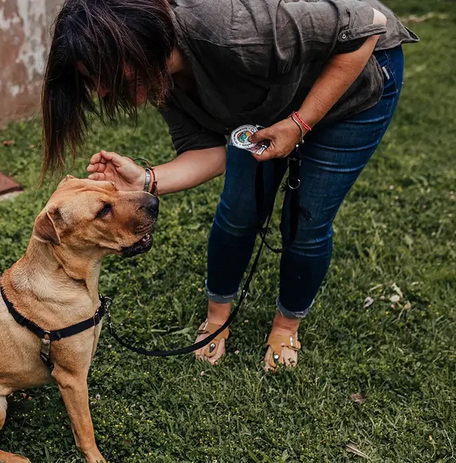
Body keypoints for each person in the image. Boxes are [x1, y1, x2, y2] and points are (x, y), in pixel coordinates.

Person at [40, 0, 417, 370]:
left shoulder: (232, 30)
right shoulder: (158, 73)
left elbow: (368, 22)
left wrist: (300, 123)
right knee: (239, 209)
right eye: (92, 80)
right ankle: (218, 317)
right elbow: (209, 153)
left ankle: (286, 325)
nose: (102, 92)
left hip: (356, 74)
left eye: (103, 74)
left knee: (306, 220)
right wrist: (146, 179)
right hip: (272, 98)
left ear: (136, 40)